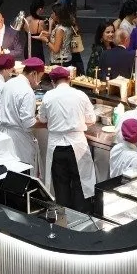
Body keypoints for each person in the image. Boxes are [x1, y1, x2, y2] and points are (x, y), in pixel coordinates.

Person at [40, 66, 97, 211]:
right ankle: (81, 216)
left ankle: (64, 217)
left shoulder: (48, 96)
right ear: (69, 79)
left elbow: (42, 119)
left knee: (61, 185)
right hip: (77, 146)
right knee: (81, 183)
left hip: (56, 147)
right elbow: (91, 119)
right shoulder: (80, 95)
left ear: (53, 82)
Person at [0, 59, 41, 172]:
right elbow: (27, 123)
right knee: (21, 172)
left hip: (4, 133)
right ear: (34, 73)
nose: (39, 81)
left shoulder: (9, 83)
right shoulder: (27, 91)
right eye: (40, 77)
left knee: (6, 169)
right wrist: (43, 123)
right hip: (19, 139)